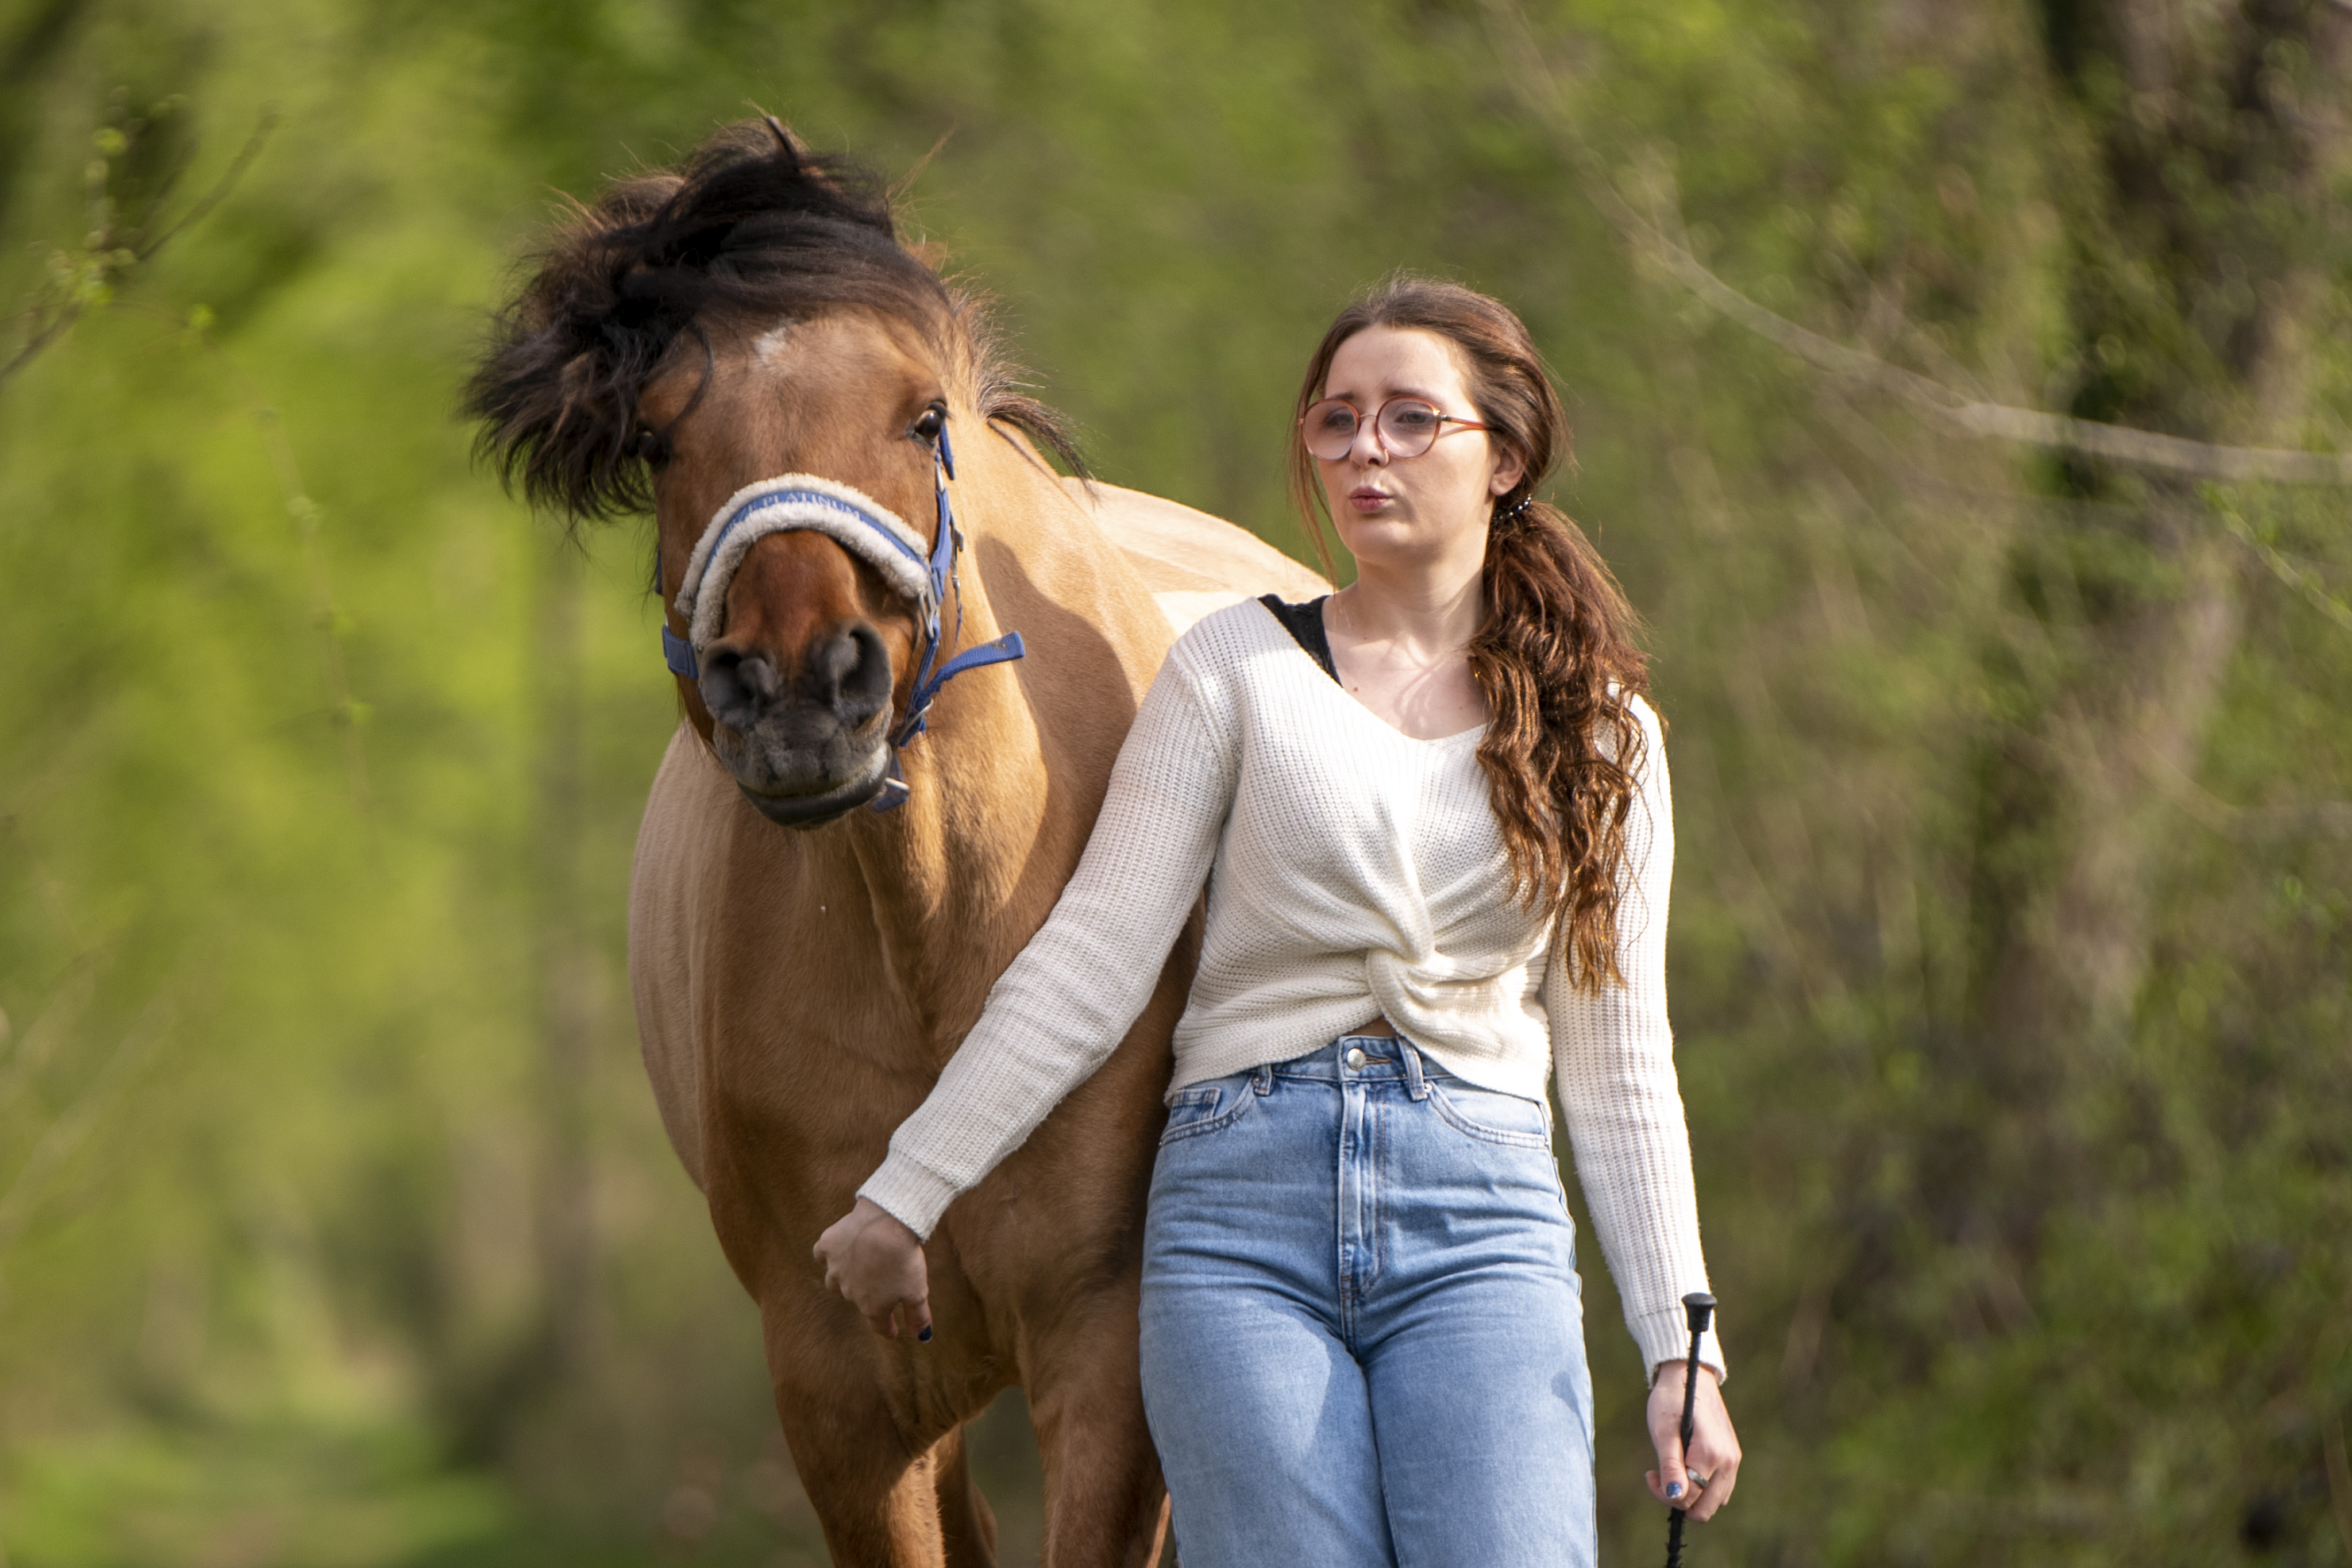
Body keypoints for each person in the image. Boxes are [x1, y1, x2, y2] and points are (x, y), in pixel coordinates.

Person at [815, 275, 1741, 1567]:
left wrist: (1683, 1349)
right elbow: (1091, 960)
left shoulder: (1602, 732)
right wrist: (909, 1188)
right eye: (1336, 419)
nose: (1366, 449)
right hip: (1241, 1223)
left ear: (1505, 457)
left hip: (1483, 1221)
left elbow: (1623, 1059)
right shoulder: (1234, 668)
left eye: (1411, 419)